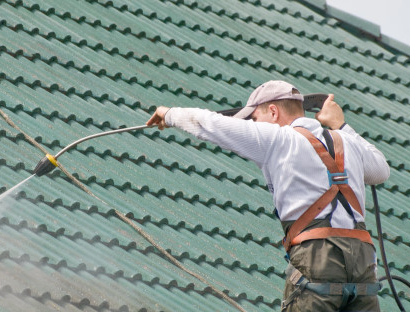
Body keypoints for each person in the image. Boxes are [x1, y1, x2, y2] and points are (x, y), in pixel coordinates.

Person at [146, 80, 390, 312]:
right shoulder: (348, 142)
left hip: (319, 256)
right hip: (363, 262)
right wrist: (341, 125)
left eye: (255, 118)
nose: (254, 124)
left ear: (273, 112)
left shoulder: (277, 139)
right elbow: (381, 170)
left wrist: (168, 114)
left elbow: (208, 123)